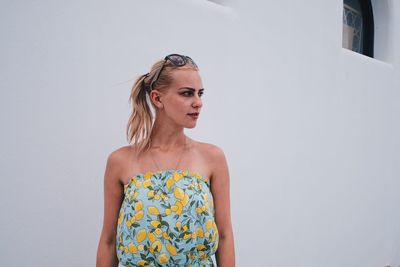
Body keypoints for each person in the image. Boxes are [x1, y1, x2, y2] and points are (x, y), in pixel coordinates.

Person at [96, 54, 235, 267]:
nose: (198, 102)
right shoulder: (120, 161)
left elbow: (224, 237)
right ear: (157, 98)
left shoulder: (212, 158)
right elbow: (109, 241)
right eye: (187, 93)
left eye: (200, 93)